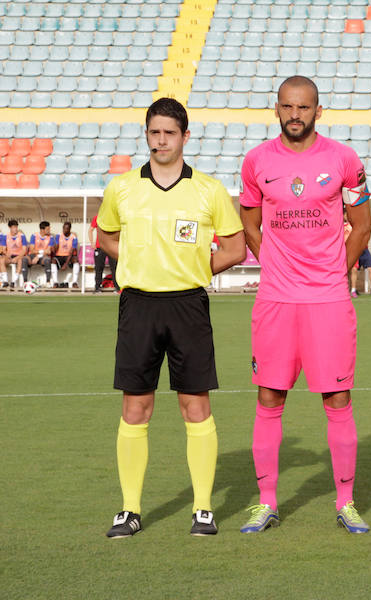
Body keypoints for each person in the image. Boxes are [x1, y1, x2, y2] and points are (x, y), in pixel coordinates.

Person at [99, 98, 246, 538]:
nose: (161, 140)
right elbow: (106, 234)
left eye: (169, 133)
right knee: (135, 407)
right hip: (138, 305)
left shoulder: (209, 190)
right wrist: (138, 263)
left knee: (195, 405)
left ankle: (203, 509)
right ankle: (129, 510)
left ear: (185, 136)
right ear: (146, 135)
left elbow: (237, 248)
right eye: (154, 132)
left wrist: (197, 269)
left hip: (188, 305)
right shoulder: (122, 188)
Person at [239, 76, 371, 535]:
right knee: (269, 396)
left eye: (304, 107)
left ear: (319, 110)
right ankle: (267, 502)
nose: (296, 115)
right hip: (276, 299)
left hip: (328, 300)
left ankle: (346, 502)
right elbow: (250, 221)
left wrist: (336, 271)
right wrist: (274, 264)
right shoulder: (256, 162)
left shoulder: (345, 160)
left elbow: (361, 226)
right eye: (288, 107)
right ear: (277, 110)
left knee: (337, 398)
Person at [90, 214, 118, 293]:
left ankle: (117, 287)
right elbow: (90, 230)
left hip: (111, 246)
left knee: (114, 267)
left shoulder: (113, 217)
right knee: (98, 268)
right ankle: (97, 287)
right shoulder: (98, 217)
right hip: (100, 247)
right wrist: (92, 243)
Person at [51, 221, 80, 288]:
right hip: (59, 256)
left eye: (66, 229)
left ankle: (74, 282)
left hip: (68, 256)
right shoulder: (58, 235)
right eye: (64, 228)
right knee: (53, 261)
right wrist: (54, 247)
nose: (65, 230)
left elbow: (72, 251)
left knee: (76, 260)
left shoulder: (74, 237)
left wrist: (66, 264)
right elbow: (56, 247)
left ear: (70, 229)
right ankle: (55, 282)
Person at [0, 219, 28, 288]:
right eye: (13, 227)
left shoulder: (22, 236)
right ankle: (5, 281)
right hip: (9, 256)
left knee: (20, 261)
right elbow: (3, 249)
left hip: (19, 256)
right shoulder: (5, 236)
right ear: (10, 228)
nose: (15, 229)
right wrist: (7, 254)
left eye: (16, 227)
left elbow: (24, 250)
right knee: (1, 260)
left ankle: (13, 281)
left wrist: (17, 257)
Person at [26, 221, 54, 286]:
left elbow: (48, 251)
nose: (49, 230)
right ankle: (25, 282)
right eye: (48, 229)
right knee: (25, 259)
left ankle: (48, 282)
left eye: (49, 229)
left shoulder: (51, 237)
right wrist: (41, 252)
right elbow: (32, 250)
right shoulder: (34, 236)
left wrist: (38, 256)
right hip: (33, 256)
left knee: (47, 260)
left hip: (43, 257)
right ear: (42, 230)